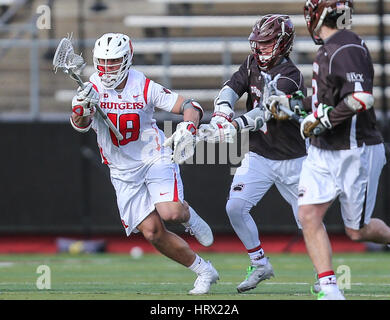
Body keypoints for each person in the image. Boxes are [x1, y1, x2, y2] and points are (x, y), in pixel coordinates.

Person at [70, 33, 219, 295]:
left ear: (127, 60)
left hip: (154, 156)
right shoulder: (89, 89)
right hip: (122, 170)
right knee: (152, 232)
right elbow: (80, 124)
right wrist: (82, 110)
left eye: (113, 62)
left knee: (171, 212)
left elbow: (189, 104)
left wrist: (189, 125)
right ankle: (204, 271)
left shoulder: (142, 85)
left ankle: (187, 216)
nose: (107, 69)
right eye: (103, 62)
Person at [269, 0, 390, 299]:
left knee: (357, 231)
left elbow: (361, 98)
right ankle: (329, 288)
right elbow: (330, 99)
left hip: (354, 150)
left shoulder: (345, 46)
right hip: (323, 151)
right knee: (308, 214)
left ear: (319, 13)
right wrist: (295, 105)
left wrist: (324, 121)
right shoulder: (332, 46)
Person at [198, 14, 307, 293]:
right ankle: (260, 263)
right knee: (235, 207)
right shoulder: (250, 63)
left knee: (309, 222)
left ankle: (326, 276)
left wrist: (233, 125)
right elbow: (230, 88)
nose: (260, 49)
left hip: (293, 159)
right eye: (258, 43)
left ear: (283, 43)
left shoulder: (290, 76)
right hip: (259, 154)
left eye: (267, 43)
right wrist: (222, 111)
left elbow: (264, 113)